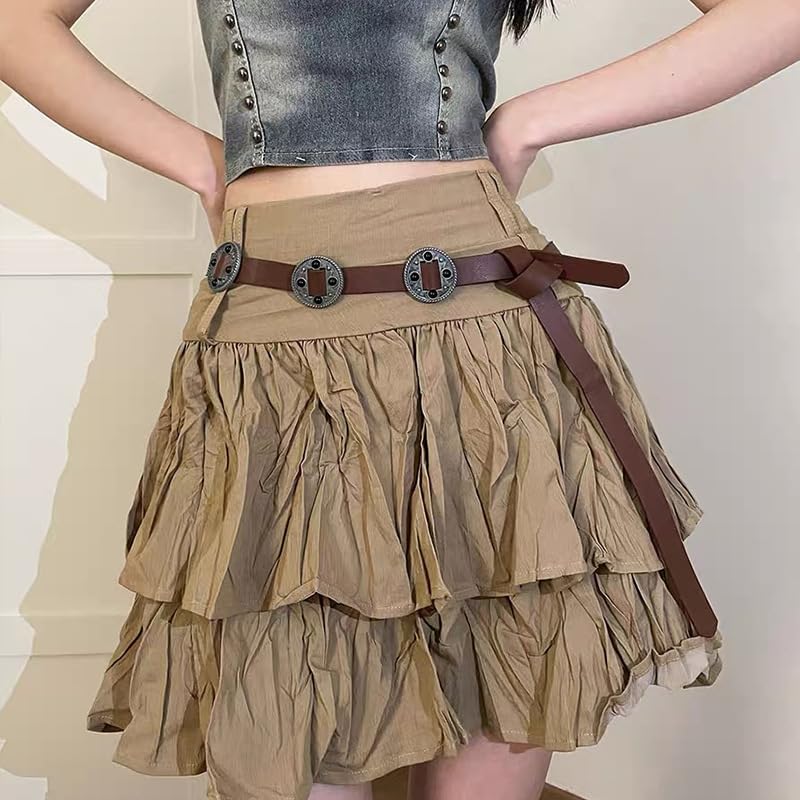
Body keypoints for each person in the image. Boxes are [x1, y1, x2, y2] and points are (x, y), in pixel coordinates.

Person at [2, 1, 798, 799]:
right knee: (286, 722)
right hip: (275, 339)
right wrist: (203, 164)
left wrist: (532, 121)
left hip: (476, 332)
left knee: (501, 683)